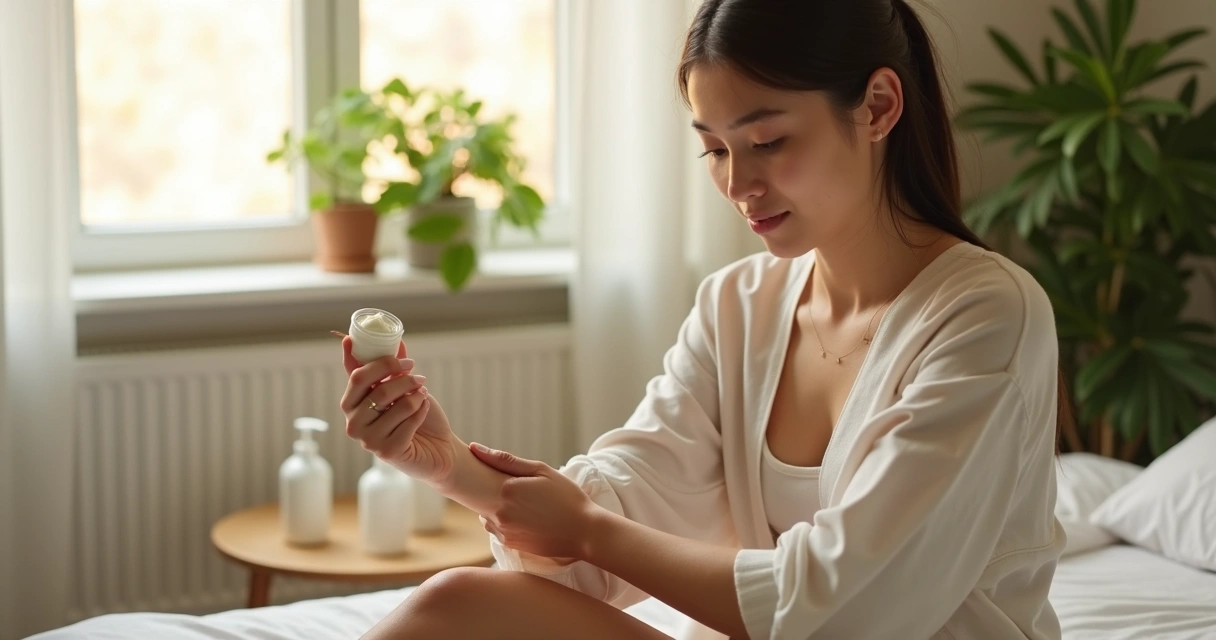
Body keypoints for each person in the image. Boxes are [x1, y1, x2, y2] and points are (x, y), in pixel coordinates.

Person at [339, 0, 1069, 638]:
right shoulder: (739, 305)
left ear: (878, 106)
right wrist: (447, 465)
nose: (738, 185)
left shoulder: (986, 316)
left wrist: (591, 530)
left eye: (768, 141)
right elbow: (637, 495)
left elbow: (852, 612)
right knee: (461, 605)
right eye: (715, 149)